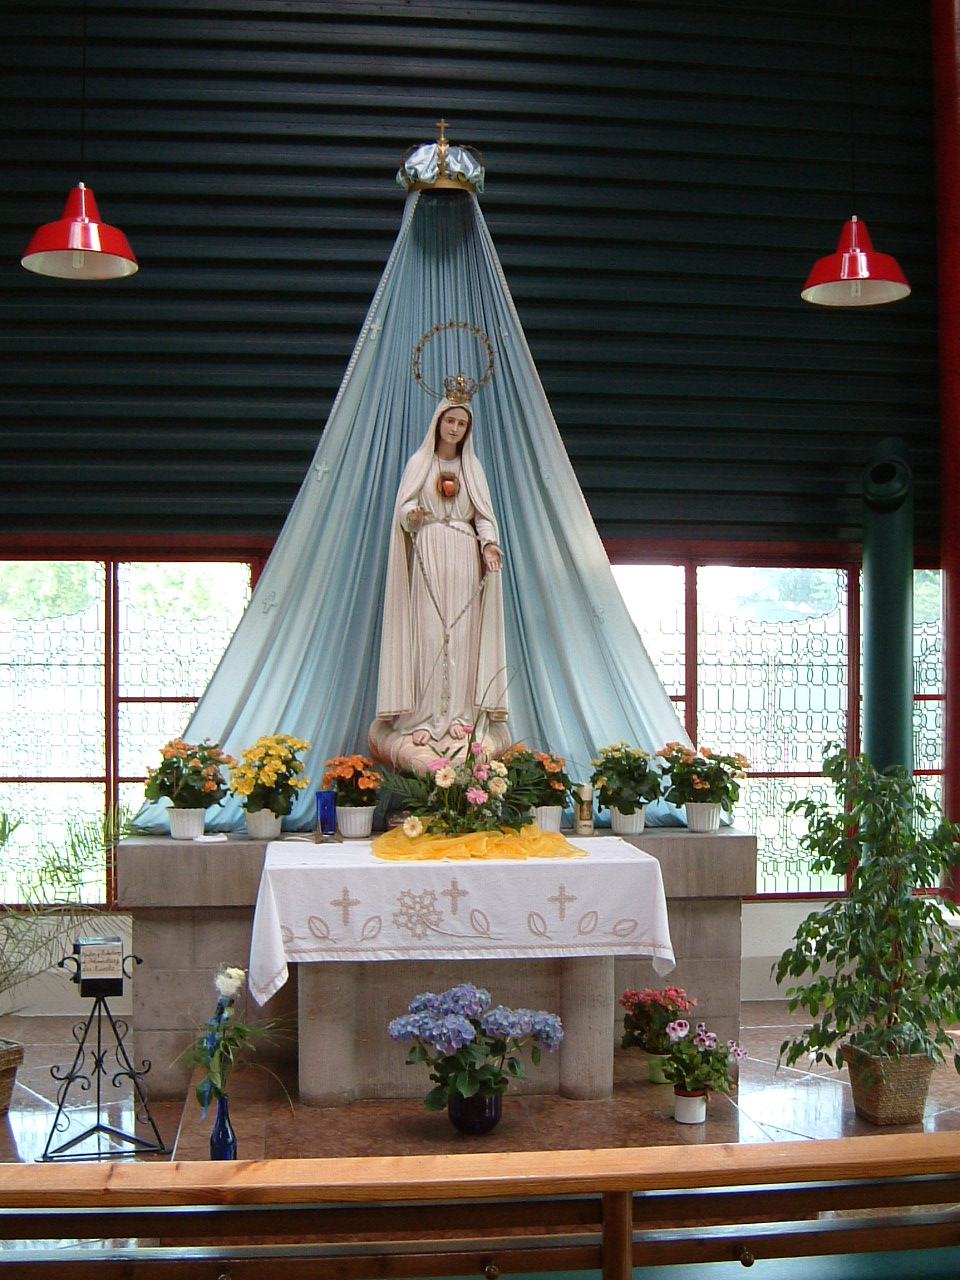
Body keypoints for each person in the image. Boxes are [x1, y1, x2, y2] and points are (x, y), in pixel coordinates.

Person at [369, 391, 510, 772]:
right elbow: (404, 508)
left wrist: (489, 544)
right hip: (429, 551)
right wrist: (412, 515)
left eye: (462, 423)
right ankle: (423, 719)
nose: (455, 428)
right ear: (438, 422)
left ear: (468, 430)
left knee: (462, 637)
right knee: (430, 634)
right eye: (450, 421)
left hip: (464, 555)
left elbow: (483, 515)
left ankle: (459, 717)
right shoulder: (420, 463)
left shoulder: (472, 469)